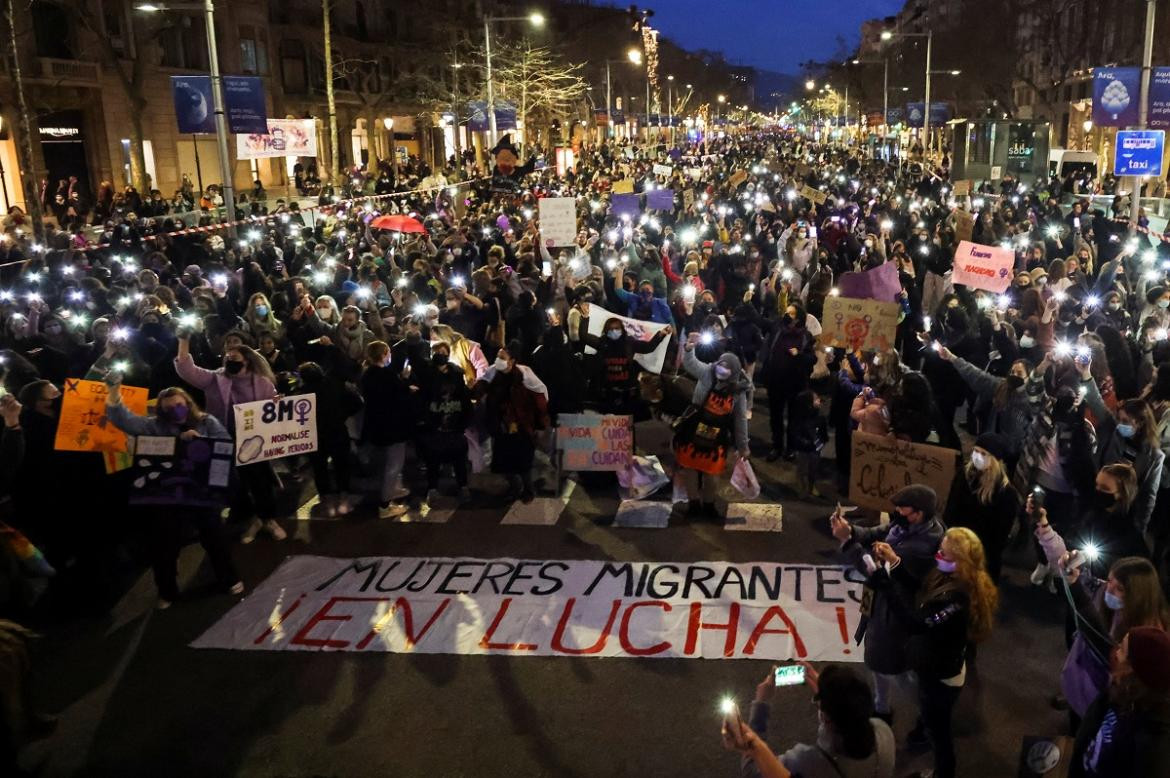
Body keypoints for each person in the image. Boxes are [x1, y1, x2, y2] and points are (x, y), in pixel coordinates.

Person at [870, 527, 999, 778]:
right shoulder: (949, 576)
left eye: (945, 554)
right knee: (931, 714)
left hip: (941, 675)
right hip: (939, 662)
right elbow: (922, 588)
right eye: (940, 549)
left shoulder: (956, 599)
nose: (938, 555)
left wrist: (886, 587)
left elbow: (916, 623)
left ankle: (943, 771)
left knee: (938, 731)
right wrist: (895, 562)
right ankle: (923, 728)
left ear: (961, 561)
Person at [104, 381, 243, 607]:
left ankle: (229, 578)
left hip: (202, 493)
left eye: (179, 405)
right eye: (168, 408)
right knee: (164, 544)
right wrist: (113, 392)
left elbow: (225, 444)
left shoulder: (206, 422)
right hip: (167, 496)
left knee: (214, 537)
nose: (175, 411)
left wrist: (200, 441)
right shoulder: (153, 426)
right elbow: (123, 420)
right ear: (161, 410)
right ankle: (167, 591)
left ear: (187, 404)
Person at [831, 484, 945, 723]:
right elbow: (877, 532)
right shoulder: (908, 525)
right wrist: (851, 529)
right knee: (878, 662)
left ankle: (930, 714)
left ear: (918, 513)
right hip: (881, 608)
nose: (896, 515)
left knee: (895, 669)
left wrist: (847, 543)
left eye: (902, 510)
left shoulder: (921, 547)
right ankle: (882, 707)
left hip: (894, 615)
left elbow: (876, 575)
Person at [175, 331, 286, 543]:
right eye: (227, 358)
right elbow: (187, 370)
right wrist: (183, 341)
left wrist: (278, 403)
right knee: (237, 483)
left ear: (247, 360)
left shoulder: (262, 382)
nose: (229, 360)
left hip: (255, 439)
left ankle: (269, 519)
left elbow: (272, 408)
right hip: (226, 437)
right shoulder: (215, 379)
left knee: (260, 480)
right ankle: (252, 519)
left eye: (234, 358)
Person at [723, 663, 895, 778]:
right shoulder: (884, 733)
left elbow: (753, 771)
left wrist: (761, 704)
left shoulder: (807, 763)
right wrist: (831, 696)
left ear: (826, 717)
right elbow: (845, 718)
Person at [1070, 625, 1170, 777]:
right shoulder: (1121, 692)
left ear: (1134, 672)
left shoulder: (1153, 746)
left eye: (1122, 650)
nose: (1115, 652)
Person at [672, 339, 751, 517]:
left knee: (712, 474)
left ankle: (708, 504)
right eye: (720, 365)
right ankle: (693, 503)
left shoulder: (737, 391)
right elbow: (690, 364)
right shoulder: (707, 372)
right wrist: (689, 349)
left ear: (734, 372)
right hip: (693, 431)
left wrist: (743, 445)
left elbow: (740, 420)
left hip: (717, 439)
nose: (721, 369)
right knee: (690, 468)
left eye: (726, 367)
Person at [473, 346, 549, 503]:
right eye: (498, 356)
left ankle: (528, 490)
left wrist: (540, 424)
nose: (498, 360)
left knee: (523, 461)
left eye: (502, 357)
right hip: (501, 425)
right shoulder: (493, 373)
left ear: (512, 361)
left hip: (522, 425)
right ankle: (515, 487)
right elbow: (481, 387)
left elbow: (539, 398)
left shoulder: (524, 376)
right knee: (502, 462)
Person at [944, 432, 1020, 582]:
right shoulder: (964, 476)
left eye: (983, 453)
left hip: (982, 558)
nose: (977, 456)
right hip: (957, 548)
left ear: (995, 459)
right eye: (976, 451)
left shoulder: (1005, 493)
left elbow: (999, 536)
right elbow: (950, 509)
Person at [360, 340, 414, 518]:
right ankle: (385, 504)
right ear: (384, 354)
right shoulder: (386, 375)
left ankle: (393, 490)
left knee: (389, 461)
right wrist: (405, 382)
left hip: (377, 424)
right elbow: (399, 395)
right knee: (394, 463)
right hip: (393, 426)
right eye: (388, 352)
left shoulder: (367, 375)